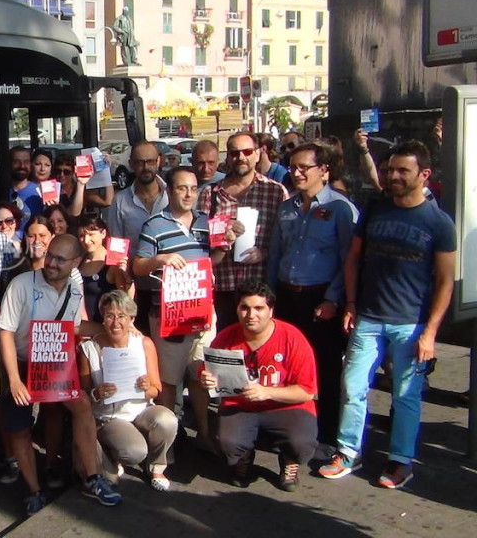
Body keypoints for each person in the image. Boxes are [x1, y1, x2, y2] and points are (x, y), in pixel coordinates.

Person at [320, 141, 456, 490]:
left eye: (402, 171)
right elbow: (353, 258)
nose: (392, 176)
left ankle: (401, 460)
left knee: (405, 395)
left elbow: (444, 281)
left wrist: (430, 333)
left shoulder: (438, 222)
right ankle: (348, 451)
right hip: (368, 316)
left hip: (410, 324)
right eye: (389, 169)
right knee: (352, 386)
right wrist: (350, 303)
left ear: (424, 175)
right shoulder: (376, 208)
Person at [0, 235, 121, 516]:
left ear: (76, 262)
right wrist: (15, 379)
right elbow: (5, 331)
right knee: (19, 428)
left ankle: (93, 477)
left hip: (53, 364)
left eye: (60, 259)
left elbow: (75, 327)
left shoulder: (75, 290)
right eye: (50, 255)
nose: (51, 262)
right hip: (20, 363)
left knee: (82, 406)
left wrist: (110, 329)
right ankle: (33, 491)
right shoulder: (21, 284)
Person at [266, 142, 358, 451]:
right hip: (286, 295)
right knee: (286, 366)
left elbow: (349, 259)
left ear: (324, 170)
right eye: (293, 167)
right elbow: (276, 252)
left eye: (304, 167)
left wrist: (334, 299)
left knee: (326, 368)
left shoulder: (340, 209)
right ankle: (287, 429)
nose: (297, 172)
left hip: (320, 297)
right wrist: (270, 295)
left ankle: (328, 434)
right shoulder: (287, 207)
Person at [133, 166, 229, 453]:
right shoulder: (154, 225)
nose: (188, 194)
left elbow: (212, 262)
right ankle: (168, 443)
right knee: (169, 381)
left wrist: (225, 244)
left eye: (193, 188)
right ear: (169, 191)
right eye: (181, 188)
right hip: (169, 315)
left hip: (202, 313)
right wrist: (160, 259)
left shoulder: (205, 223)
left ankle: (203, 432)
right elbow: (137, 266)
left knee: (200, 375)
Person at [200, 280, 319, 492]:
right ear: (237, 309)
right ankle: (244, 457)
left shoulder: (292, 338)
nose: (251, 314)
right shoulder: (226, 338)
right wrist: (206, 379)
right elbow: (208, 371)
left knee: (301, 443)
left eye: (259, 308)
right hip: (241, 405)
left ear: (271, 310)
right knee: (227, 442)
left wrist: (267, 392)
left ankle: (289, 459)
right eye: (244, 307)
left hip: (285, 406)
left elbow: (307, 391)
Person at [77, 290, 178, 491]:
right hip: (110, 416)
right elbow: (83, 395)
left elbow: (156, 389)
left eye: (122, 316)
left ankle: (157, 467)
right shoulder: (89, 348)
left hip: (141, 410)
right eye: (109, 315)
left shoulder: (144, 344)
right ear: (103, 319)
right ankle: (110, 451)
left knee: (167, 420)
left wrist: (146, 387)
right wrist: (98, 393)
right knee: (134, 452)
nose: (116, 322)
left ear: (131, 319)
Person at [196, 131, 288, 332]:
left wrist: (264, 252)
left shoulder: (276, 191)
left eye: (247, 151)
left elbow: (286, 241)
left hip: (260, 288)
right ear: (227, 157)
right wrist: (222, 237)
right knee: (225, 352)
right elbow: (199, 243)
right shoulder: (209, 193)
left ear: (257, 153)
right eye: (235, 153)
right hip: (222, 287)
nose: (241, 158)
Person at [107, 141, 169, 334]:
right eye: (140, 162)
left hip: (169, 286)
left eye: (150, 161)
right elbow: (115, 243)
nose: (146, 167)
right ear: (132, 163)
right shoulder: (120, 200)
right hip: (135, 286)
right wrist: (121, 276)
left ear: (158, 162)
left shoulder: (172, 195)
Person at [76, 216, 132, 324]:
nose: (86, 240)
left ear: (103, 234)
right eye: (82, 236)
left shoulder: (113, 264)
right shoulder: (79, 262)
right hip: (83, 327)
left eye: (91, 234)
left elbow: (125, 297)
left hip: (107, 327)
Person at [8, 146, 43, 233]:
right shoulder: (0, 191)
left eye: (26, 162)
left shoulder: (39, 192)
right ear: (9, 164)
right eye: (17, 162)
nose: (22, 166)